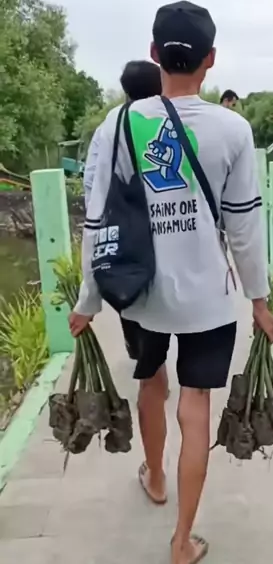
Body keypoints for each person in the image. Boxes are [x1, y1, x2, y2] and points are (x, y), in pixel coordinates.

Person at [70, 0, 273, 564]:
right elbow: (244, 225)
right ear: (211, 60)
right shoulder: (233, 129)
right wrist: (259, 301)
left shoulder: (118, 124)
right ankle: (182, 542)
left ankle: (156, 477)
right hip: (208, 298)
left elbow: (98, 219)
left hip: (140, 292)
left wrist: (88, 301)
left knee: (150, 382)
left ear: (155, 53)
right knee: (195, 405)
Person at [83, 60, 164, 368]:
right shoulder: (172, 118)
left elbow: (92, 181)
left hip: (126, 231)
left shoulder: (110, 124)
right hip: (167, 228)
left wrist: (103, 223)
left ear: (126, 91)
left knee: (132, 292)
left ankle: (146, 360)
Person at [83, 60, 163, 208]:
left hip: (122, 214)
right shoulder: (170, 125)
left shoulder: (109, 126)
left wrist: (95, 214)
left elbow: (92, 178)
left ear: (126, 91)